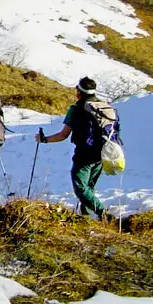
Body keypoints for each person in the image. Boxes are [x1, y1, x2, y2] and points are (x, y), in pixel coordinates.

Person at [35, 76, 108, 220]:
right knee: (89, 188)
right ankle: (85, 216)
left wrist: (44, 140)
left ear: (79, 92)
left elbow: (63, 135)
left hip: (84, 154)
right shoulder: (103, 106)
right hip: (102, 153)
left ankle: (101, 211)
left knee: (80, 188)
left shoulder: (76, 109)